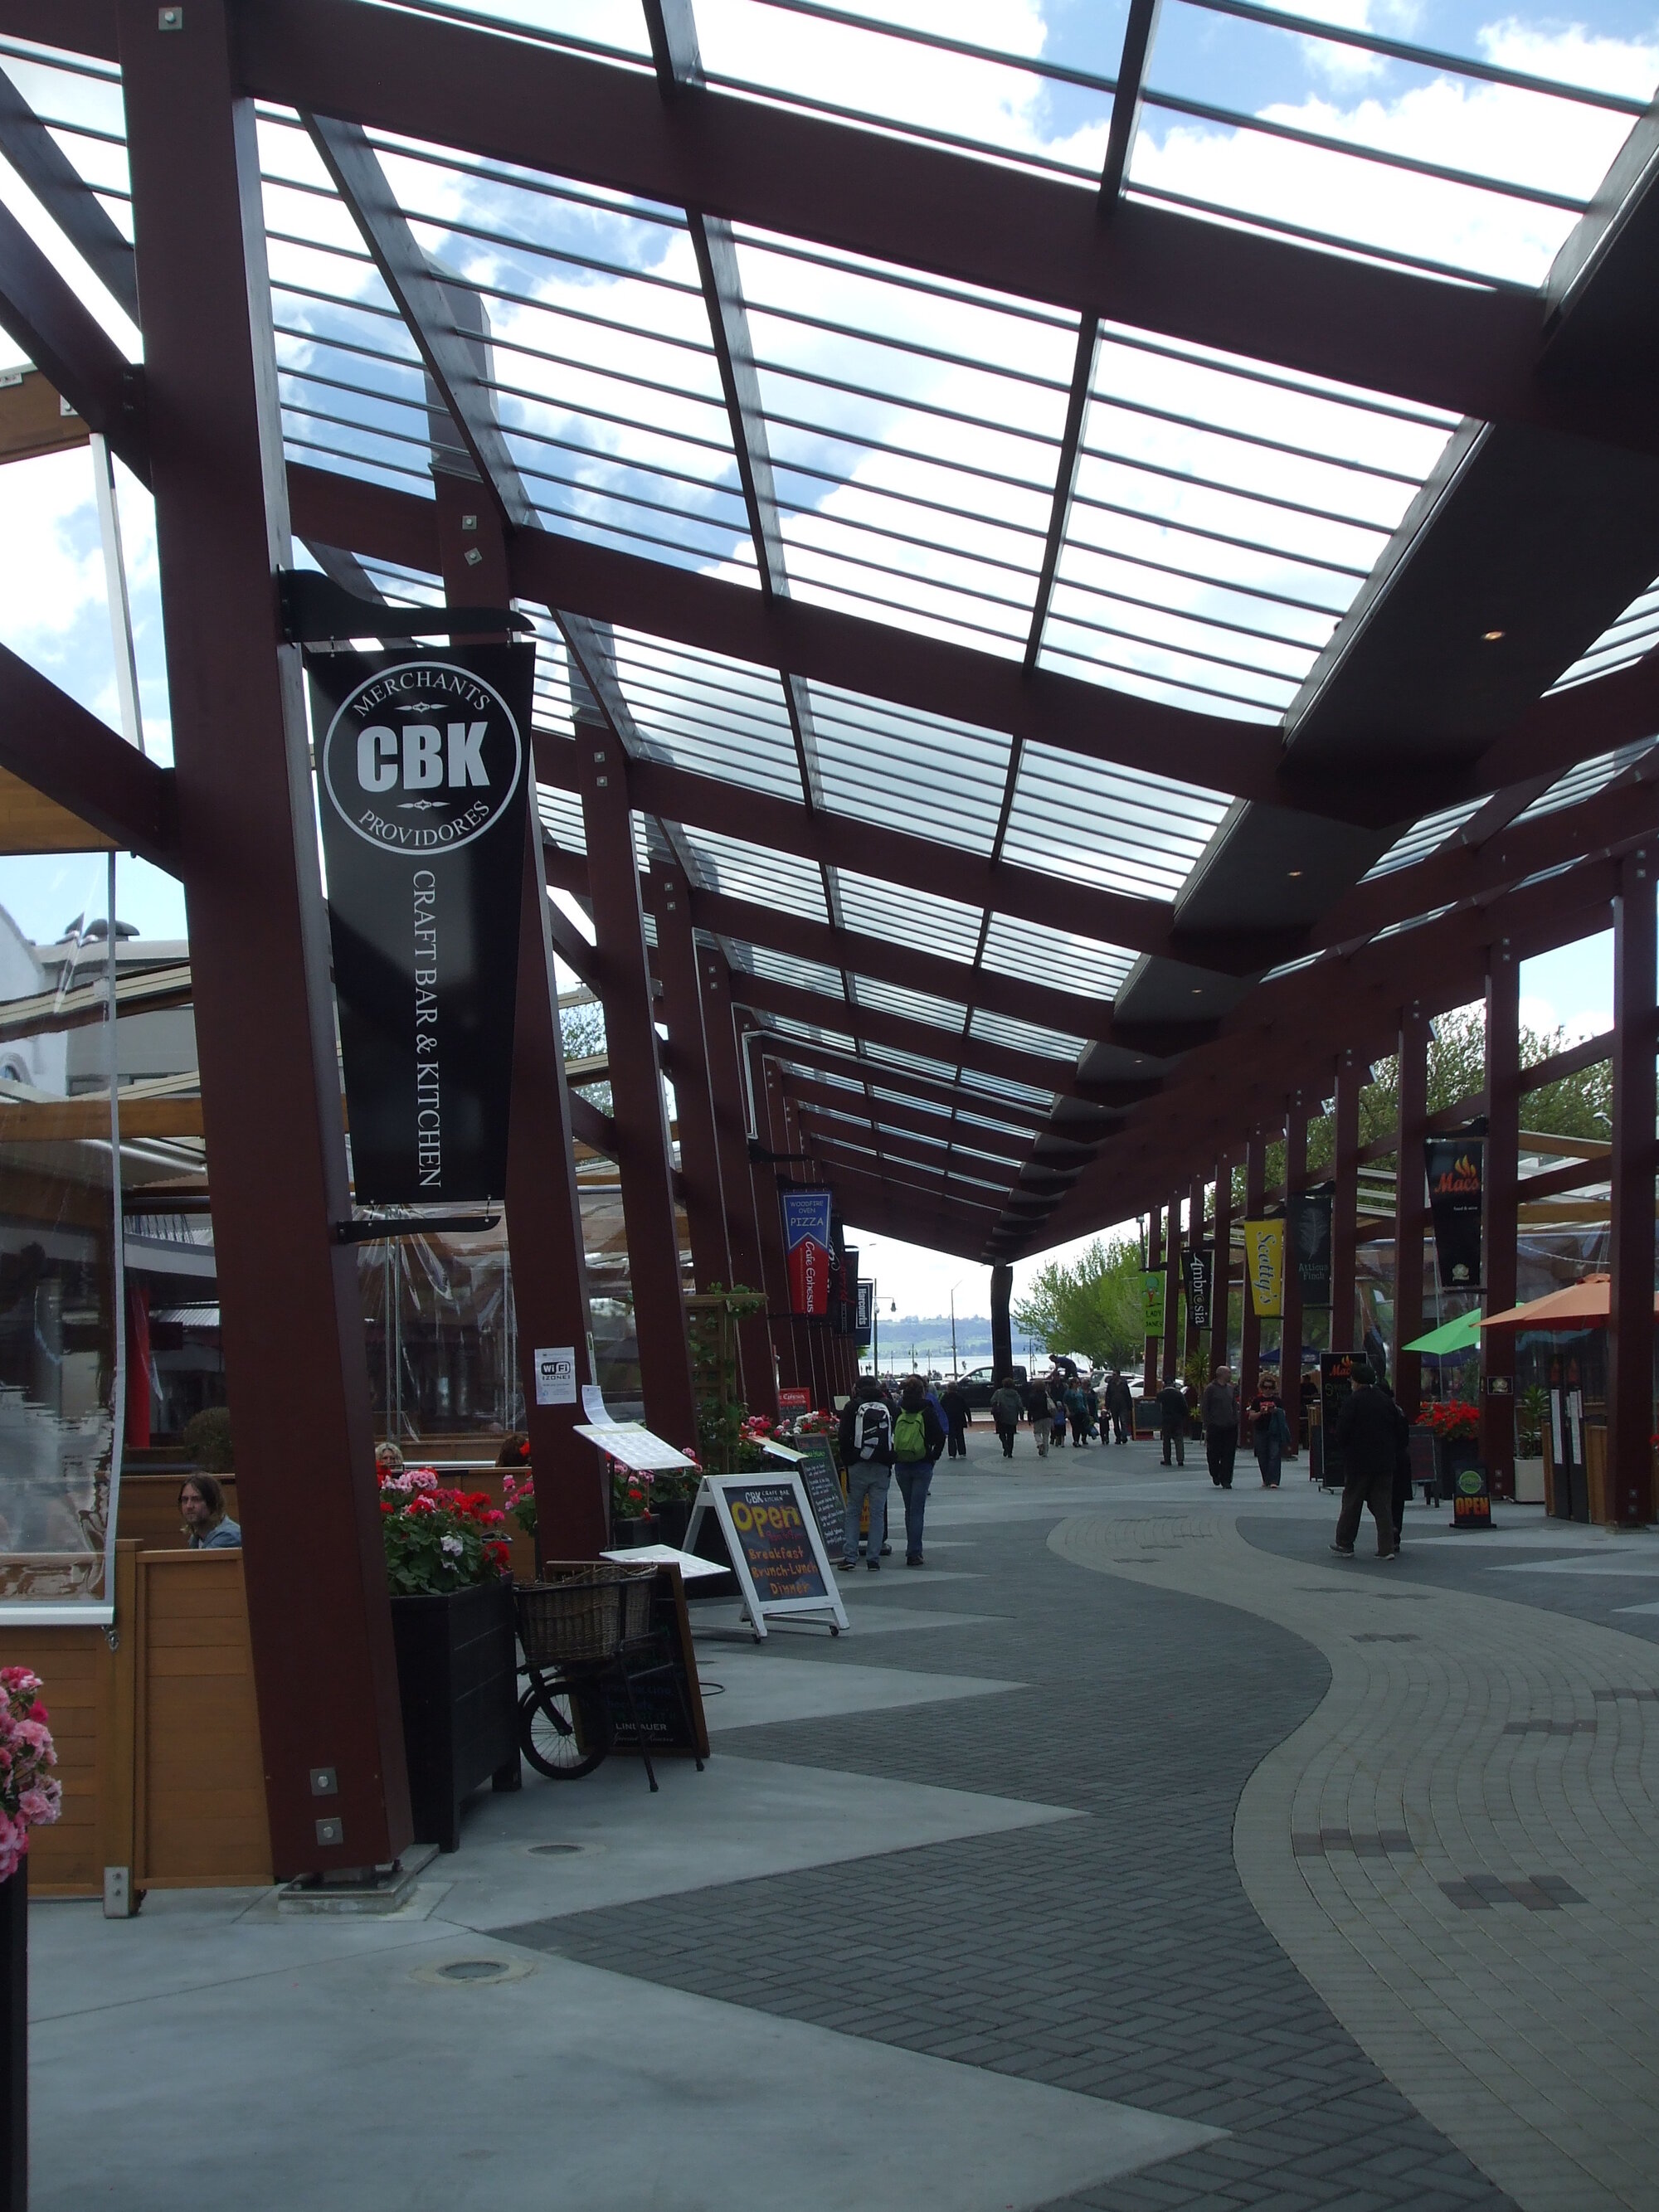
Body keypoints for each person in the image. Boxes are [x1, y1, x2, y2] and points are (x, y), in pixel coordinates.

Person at [1330, 1361, 1401, 1559]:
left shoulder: (1353, 1401)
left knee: (1352, 1503)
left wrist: (1344, 1447)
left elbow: (1342, 1431)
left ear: (1356, 1381)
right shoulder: (1386, 1401)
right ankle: (1387, 1547)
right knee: (1382, 1505)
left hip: (1358, 1462)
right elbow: (1399, 1429)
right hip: (1385, 1462)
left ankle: (1345, 1543)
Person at [838, 1378, 894, 1570]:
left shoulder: (852, 1406)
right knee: (877, 1513)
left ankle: (851, 1556)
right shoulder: (888, 1405)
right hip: (882, 1464)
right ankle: (873, 1558)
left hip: (858, 1465)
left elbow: (843, 1436)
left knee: (853, 1511)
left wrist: (849, 1459)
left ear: (857, 1388)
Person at [893, 1374, 946, 1565]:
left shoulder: (898, 1410)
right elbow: (940, 1437)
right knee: (917, 1510)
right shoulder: (927, 1411)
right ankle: (914, 1552)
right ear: (923, 1391)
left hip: (901, 1464)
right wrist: (933, 1457)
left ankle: (912, 1546)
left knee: (909, 1509)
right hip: (922, 1464)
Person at [1248, 1378, 1292, 1489]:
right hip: (1260, 1430)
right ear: (1261, 1388)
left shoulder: (1278, 1400)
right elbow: (1251, 1417)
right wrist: (1260, 1413)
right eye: (1265, 1387)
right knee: (1262, 1455)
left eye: (1270, 1388)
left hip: (1274, 1431)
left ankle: (1274, 1480)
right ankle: (1266, 1479)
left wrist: (1275, 1410)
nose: (1268, 1390)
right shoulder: (1256, 1401)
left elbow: (1284, 1414)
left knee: (1274, 1455)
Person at [1201, 1364, 1239, 1489]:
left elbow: (1234, 1406)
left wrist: (1235, 1419)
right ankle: (1215, 1472)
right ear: (1221, 1374)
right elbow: (1205, 1407)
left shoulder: (1230, 1389)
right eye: (1228, 1373)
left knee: (1229, 1454)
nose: (1230, 1375)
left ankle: (1226, 1479)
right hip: (1215, 1426)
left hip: (1230, 1426)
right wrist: (1207, 1424)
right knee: (1213, 1453)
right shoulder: (1210, 1389)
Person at [180, 1474, 241, 1549]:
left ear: (213, 1503)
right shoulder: (196, 1538)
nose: (189, 1506)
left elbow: (202, 1561)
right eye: (185, 1500)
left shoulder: (228, 1536)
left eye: (196, 1499)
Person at [990, 1375, 1025, 1460]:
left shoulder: (998, 1392)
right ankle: (1010, 1451)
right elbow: (1020, 1405)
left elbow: (992, 1401)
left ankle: (1005, 1445)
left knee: (1001, 1433)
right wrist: (1021, 1415)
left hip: (1001, 1416)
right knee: (1011, 1435)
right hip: (1012, 1416)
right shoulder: (1015, 1394)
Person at [1157, 1375, 1187, 1467]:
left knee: (1166, 1441)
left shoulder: (1161, 1395)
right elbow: (1185, 1408)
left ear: (1164, 1384)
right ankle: (1180, 1460)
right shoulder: (1179, 1394)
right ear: (1173, 1383)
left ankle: (1167, 1460)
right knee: (1179, 1440)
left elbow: (1157, 1408)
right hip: (1177, 1420)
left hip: (1166, 1420)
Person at [940, 1378, 970, 1459]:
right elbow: (966, 1408)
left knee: (951, 1437)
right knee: (960, 1435)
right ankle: (962, 1452)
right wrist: (969, 1419)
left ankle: (952, 1453)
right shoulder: (960, 1397)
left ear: (948, 1388)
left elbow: (941, 1409)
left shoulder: (945, 1398)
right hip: (960, 1419)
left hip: (949, 1419)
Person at [1024, 1373, 1051, 1457]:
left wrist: (1029, 1419)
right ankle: (1045, 1452)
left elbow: (1030, 1409)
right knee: (1046, 1434)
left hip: (1037, 1417)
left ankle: (1040, 1443)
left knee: (1037, 1433)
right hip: (1047, 1416)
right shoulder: (1046, 1395)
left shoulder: (1032, 1397)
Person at [1107, 1370, 1132, 1445]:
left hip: (1123, 1405)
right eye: (1113, 1375)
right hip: (1113, 1406)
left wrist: (1130, 1406)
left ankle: (1124, 1436)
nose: (1113, 1376)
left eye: (1114, 1375)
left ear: (1118, 1375)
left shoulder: (1123, 1384)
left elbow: (1128, 1395)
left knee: (1123, 1421)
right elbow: (1108, 1395)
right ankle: (1118, 1437)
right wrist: (1107, 1406)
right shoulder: (1111, 1384)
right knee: (1115, 1423)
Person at [1064, 1378, 1089, 1448]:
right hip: (1073, 1411)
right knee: (1075, 1426)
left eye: (1079, 1383)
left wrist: (1087, 1408)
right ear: (1073, 1384)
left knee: (1082, 1425)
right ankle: (1076, 1441)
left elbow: (1085, 1400)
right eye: (1077, 1383)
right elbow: (1065, 1402)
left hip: (1082, 1410)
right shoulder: (1069, 1392)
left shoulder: (1080, 1391)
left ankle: (1083, 1437)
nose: (1078, 1384)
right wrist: (1068, 1411)